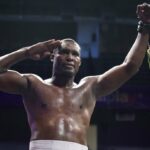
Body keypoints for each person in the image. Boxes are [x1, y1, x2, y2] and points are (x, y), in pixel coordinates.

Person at [0, 3, 150, 150]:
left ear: (80, 62)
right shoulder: (33, 84)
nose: (70, 57)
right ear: (53, 56)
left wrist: (144, 27)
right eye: (64, 52)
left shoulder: (89, 88)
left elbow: (130, 67)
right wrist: (27, 52)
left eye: (75, 54)